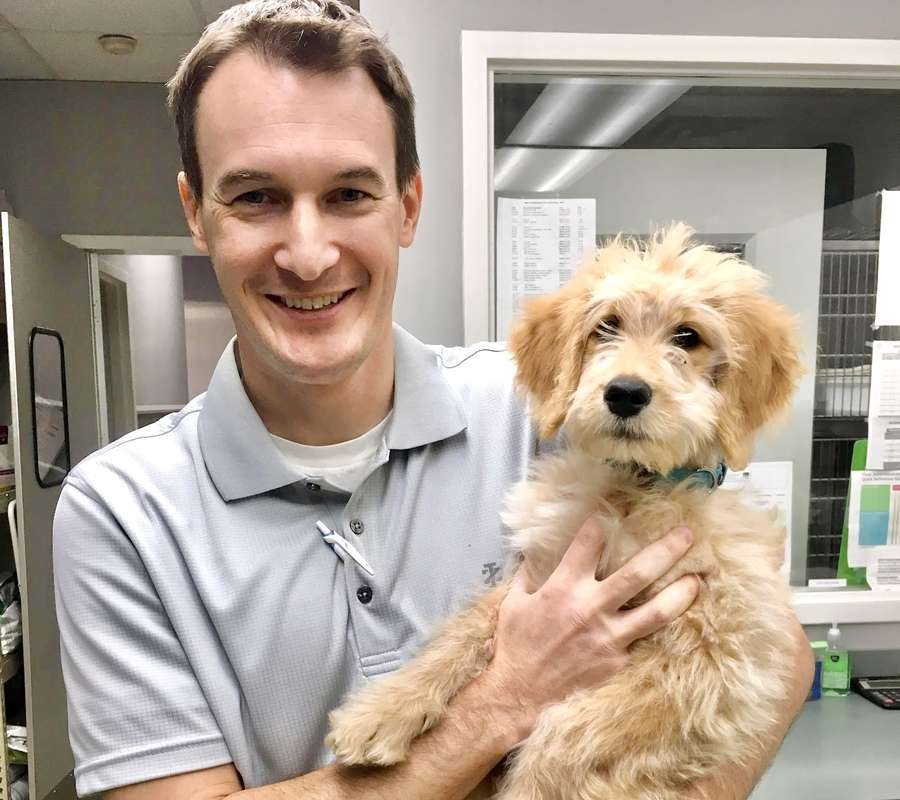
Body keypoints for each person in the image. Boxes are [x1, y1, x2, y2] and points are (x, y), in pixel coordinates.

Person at [51, 2, 813, 799]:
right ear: (194, 212)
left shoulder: (551, 417)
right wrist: (502, 703)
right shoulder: (121, 510)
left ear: (408, 205)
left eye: (349, 193)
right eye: (255, 198)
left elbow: (777, 657)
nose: (308, 255)